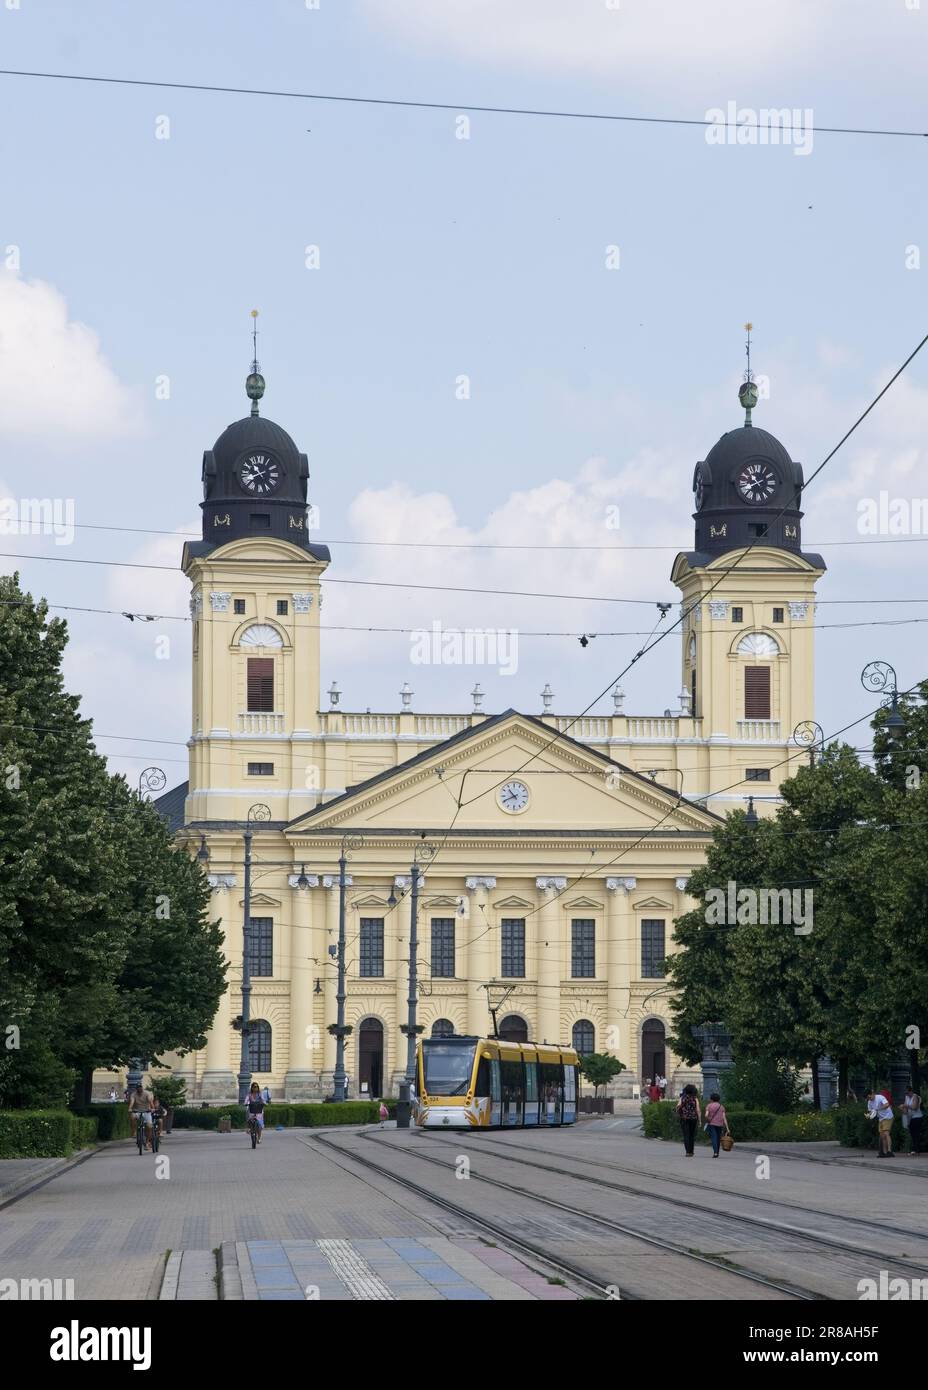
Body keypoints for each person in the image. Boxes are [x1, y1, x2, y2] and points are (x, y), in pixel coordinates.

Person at [866, 1089, 894, 1157]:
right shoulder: (869, 1102)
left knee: (886, 1133)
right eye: (868, 1098)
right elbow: (870, 1111)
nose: (869, 1099)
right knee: (882, 1136)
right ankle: (884, 1152)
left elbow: (887, 1105)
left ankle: (889, 1151)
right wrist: (869, 1115)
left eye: (870, 1097)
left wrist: (878, 1109)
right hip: (881, 1118)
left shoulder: (880, 1097)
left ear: (872, 1093)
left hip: (888, 1116)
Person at [676, 1084, 701, 1157]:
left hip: (684, 1118)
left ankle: (687, 1152)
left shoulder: (682, 1098)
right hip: (693, 1118)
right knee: (692, 1135)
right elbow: (698, 1110)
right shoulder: (695, 1099)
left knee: (686, 1135)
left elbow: (677, 1107)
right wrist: (699, 1121)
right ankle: (691, 1151)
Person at [128, 1082, 155, 1151]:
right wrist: (130, 1108)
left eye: (140, 1087)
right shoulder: (133, 1094)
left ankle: (147, 1142)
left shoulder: (147, 1093)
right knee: (132, 1116)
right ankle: (133, 1131)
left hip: (146, 1111)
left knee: (149, 1126)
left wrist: (152, 1108)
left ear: (142, 1088)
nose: (139, 1089)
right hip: (137, 1111)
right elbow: (132, 1102)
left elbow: (150, 1101)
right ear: (136, 1089)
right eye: (138, 1088)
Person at [704, 1092, 729, 1157]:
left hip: (712, 1124)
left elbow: (706, 1115)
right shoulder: (721, 1107)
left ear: (711, 1099)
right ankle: (717, 1152)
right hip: (720, 1124)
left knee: (714, 1138)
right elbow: (724, 1118)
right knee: (718, 1138)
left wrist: (708, 1119)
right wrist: (727, 1128)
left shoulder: (709, 1105)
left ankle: (715, 1153)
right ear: (718, 1099)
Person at [902, 1087, 923, 1156]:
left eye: (908, 1093)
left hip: (917, 1117)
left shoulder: (915, 1097)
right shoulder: (906, 1097)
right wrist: (903, 1108)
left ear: (911, 1091)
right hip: (910, 1118)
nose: (907, 1094)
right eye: (906, 1093)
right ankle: (914, 1149)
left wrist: (906, 1106)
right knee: (912, 1134)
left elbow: (915, 1107)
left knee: (916, 1133)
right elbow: (905, 1109)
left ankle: (917, 1150)